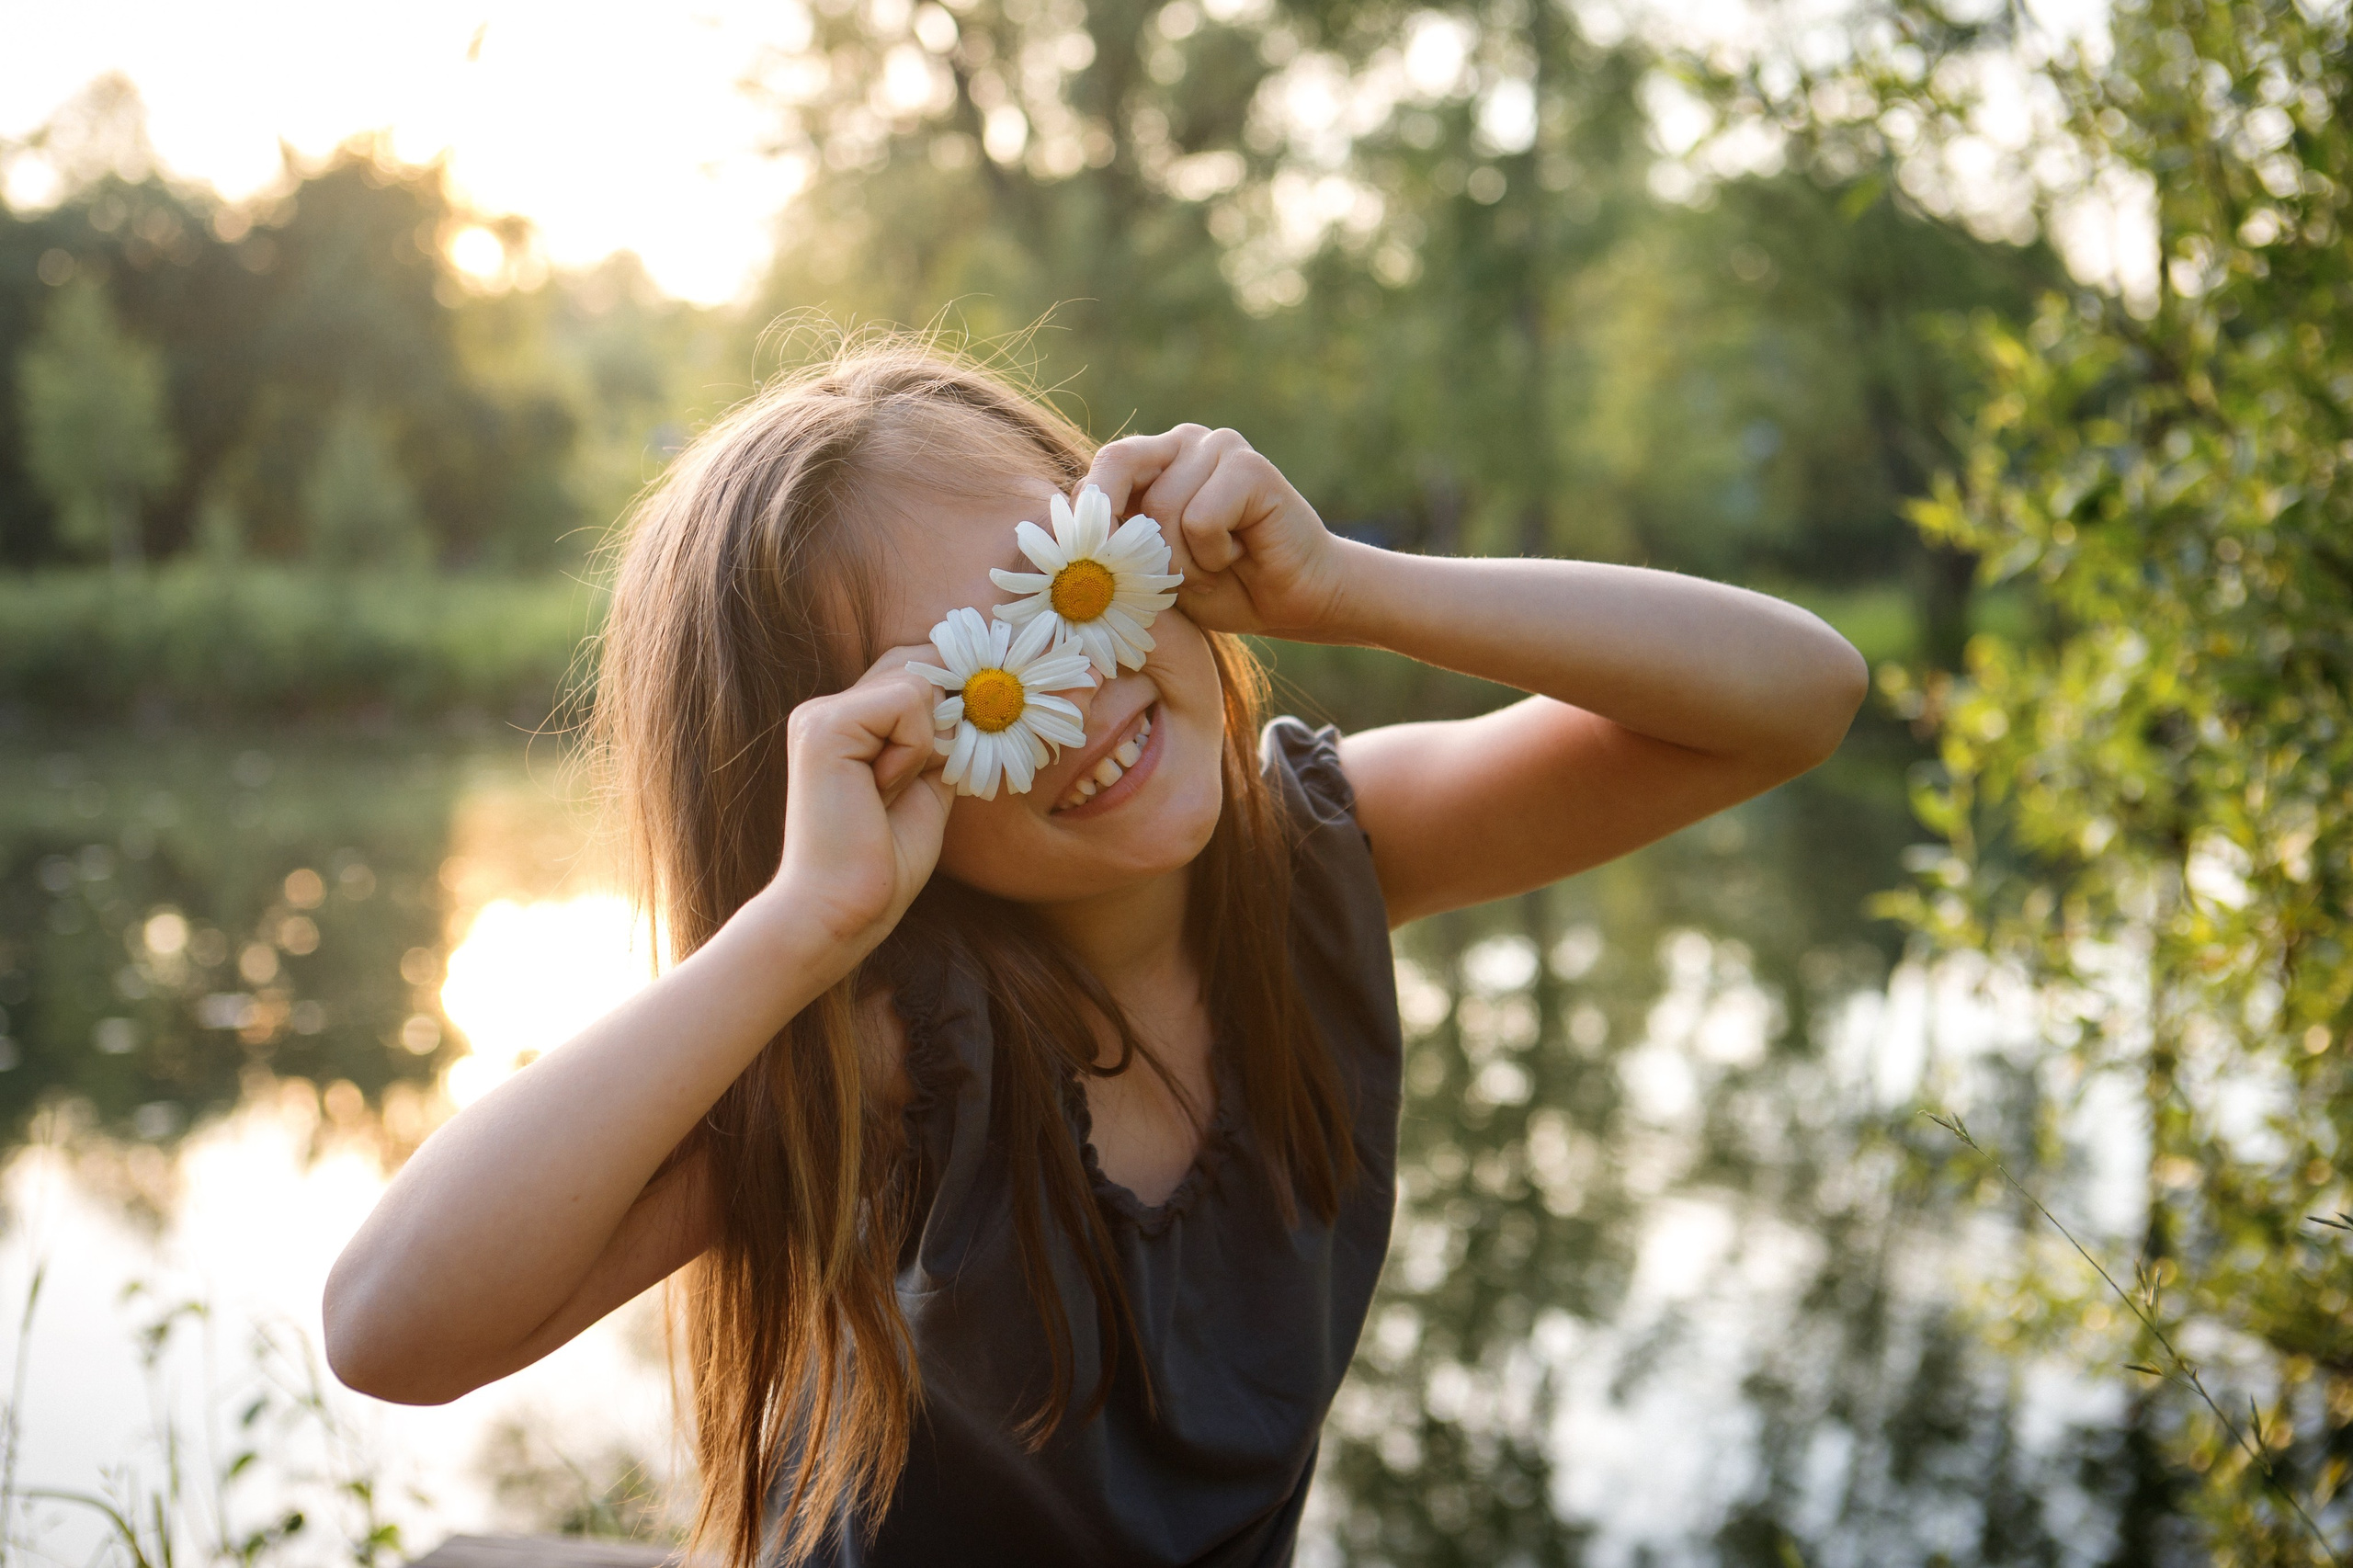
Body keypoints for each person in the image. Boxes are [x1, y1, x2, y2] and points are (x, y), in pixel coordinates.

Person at [323, 344, 1867, 1567]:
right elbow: (391, 1327)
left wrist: (1347, 585)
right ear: (857, 771)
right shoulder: (887, 1044)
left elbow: (1797, 693)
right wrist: (800, 927)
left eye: (1071, 586)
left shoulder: (1321, 856)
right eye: (977, 688)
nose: (1079, 689)